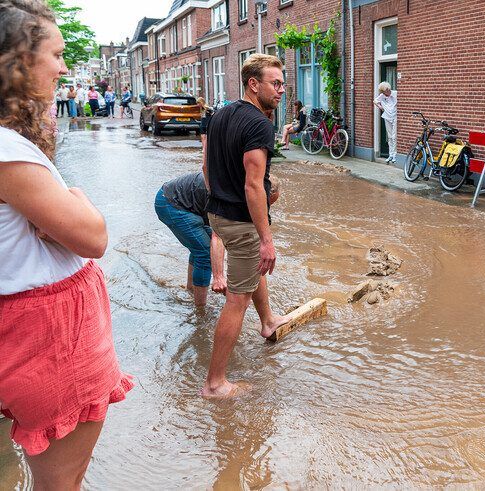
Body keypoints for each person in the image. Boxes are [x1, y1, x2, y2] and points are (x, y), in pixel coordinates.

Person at [0, 1, 133, 488]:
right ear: (16, 62)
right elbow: (93, 237)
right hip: (52, 344)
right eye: (54, 55)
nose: (62, 67)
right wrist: (74, 196)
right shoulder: (7, 151)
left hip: (24, 339)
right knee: (62, 484)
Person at [202, 53, 291, 399]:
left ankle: (268, 322)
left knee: (250, 272)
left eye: (282, 83)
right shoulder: (259, 124)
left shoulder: (220, 114)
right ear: (254, 84)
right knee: (236, 300)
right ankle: (215, 384)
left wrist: (215, 198)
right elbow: (254, 186)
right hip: (241, 222)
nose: (281, 90)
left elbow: (206, 164)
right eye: (275, 83)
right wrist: (266, 238)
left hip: (218, 215)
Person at [155, 172, 282, 307]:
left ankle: (191, 291)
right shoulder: (229, 195)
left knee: (200, 247)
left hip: (187, 202)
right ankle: (200, 310)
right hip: (171, 203)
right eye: (265, 204)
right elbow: (218, 236)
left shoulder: (244, 187)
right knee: (204, 252)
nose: (266, 209)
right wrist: (219, 277)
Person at [373, 81, 398, 163]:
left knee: (394, 136)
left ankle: (395, 154)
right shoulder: (382, 96)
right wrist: (380, 107)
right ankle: (390, 154)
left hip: (395, 117)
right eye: (384, 91)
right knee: (390, 136)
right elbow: (375, 101)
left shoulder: (395, 93)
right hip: (387, 117)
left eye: (387, 90)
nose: (386, 92)